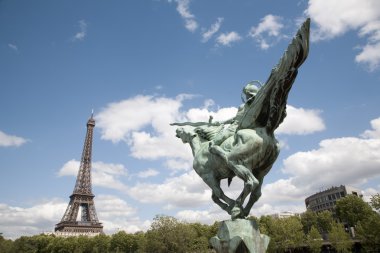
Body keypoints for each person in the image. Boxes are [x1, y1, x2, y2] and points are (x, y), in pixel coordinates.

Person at [208, 82, 260, 149]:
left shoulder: (255, 107)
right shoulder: (243, 107)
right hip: (239, 127)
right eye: (247, 95)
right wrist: (222, 122)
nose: (247, 97)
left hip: (235, 129)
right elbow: (236, 118)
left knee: (214, 142)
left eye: (248, 95)